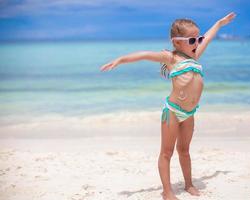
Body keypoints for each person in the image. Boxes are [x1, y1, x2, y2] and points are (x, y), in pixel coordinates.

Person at [100, 12, 236, 200]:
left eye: (198, 38)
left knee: (185, 151)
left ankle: (189, 184)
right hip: (172, 112)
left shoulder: (194, 56)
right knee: (166, 152)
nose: (196, 43)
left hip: (189, 113)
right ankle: (167, 191)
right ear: (177, 42)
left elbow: (210, 37)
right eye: (192, 40)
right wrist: (121, 59)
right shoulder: (171, 58)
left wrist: (220, 23)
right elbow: (144, 55)